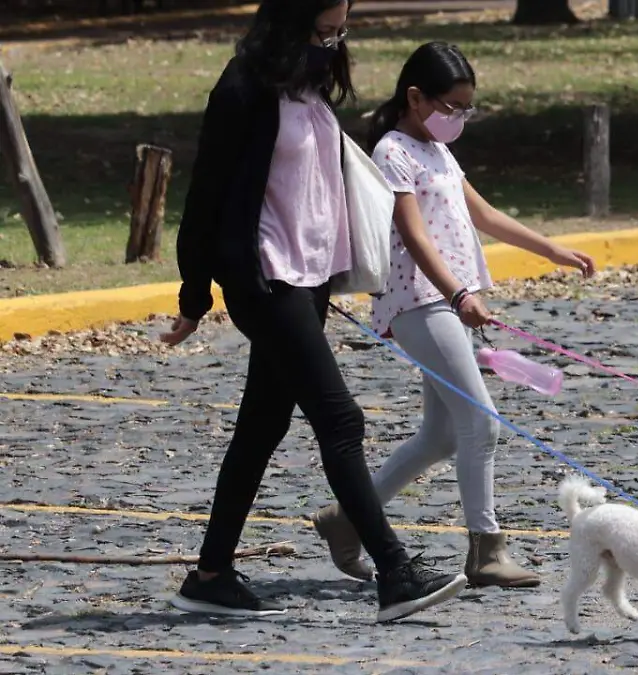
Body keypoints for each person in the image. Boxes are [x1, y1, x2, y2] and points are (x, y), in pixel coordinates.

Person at [159, 1, 467, 623]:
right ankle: (394, 572)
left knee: (260, 428)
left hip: (309, 280)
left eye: (340, 31)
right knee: (341, 418)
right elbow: (208, 191)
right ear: (289, 22)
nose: (332, 43)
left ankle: (210, 574)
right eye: (322, 30)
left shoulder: (309, 89)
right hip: (264, 280)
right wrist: (195, 295)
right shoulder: (243, 86)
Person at [311, 41, 596, 588]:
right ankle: (485, 551)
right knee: (480, 421)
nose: (459, 119)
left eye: (467, 109)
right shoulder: (393, 151)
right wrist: (461, 294)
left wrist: (552, 250)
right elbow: (414, 236)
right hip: (420, 300)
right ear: (416, 98)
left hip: (445, 300)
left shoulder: (435, 149)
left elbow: (482, 212)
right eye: (452, 108)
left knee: (442, 435)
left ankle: (347, 520)